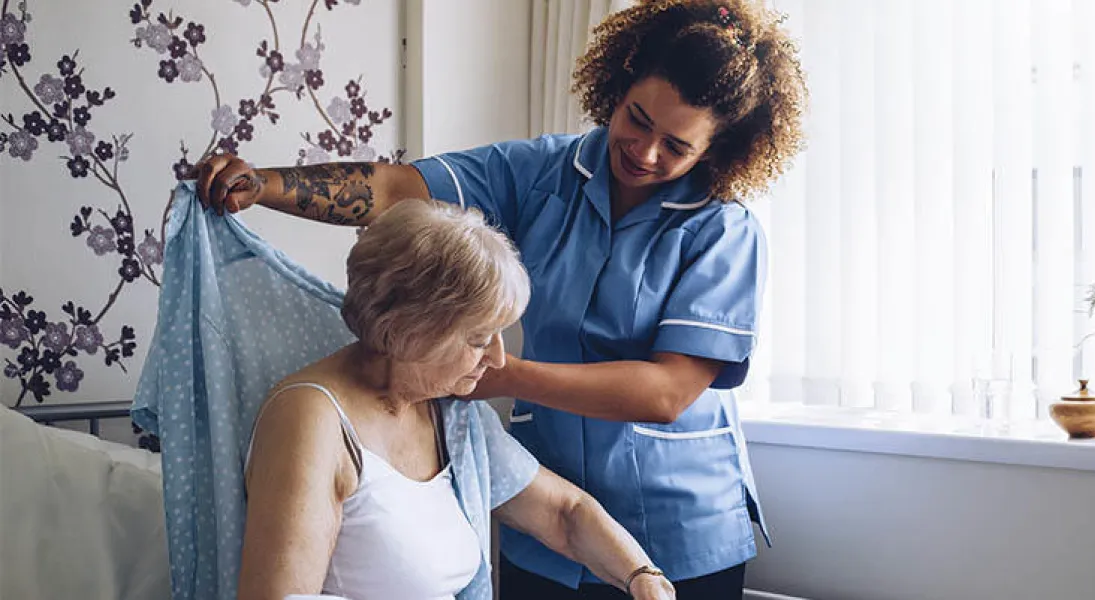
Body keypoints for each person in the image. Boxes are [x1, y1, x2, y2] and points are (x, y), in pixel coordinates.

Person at [200, 1, 808, 597]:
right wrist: (264, 186)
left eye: (676, 146)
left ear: (717, 151)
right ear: (617, 86)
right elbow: (396, 188)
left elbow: (666, 392)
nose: (645, 152)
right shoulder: (540, 172)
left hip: (680, 526)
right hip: (546, 519)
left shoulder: (722, 230)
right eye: (637, 119)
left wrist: (495, 371)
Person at [237, 198, 675, 600]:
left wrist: (642, 575)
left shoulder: (450, 413)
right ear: (411, 330)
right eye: (480, 338)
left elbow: (564, 512)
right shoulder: (311, 419)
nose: (499, 358)